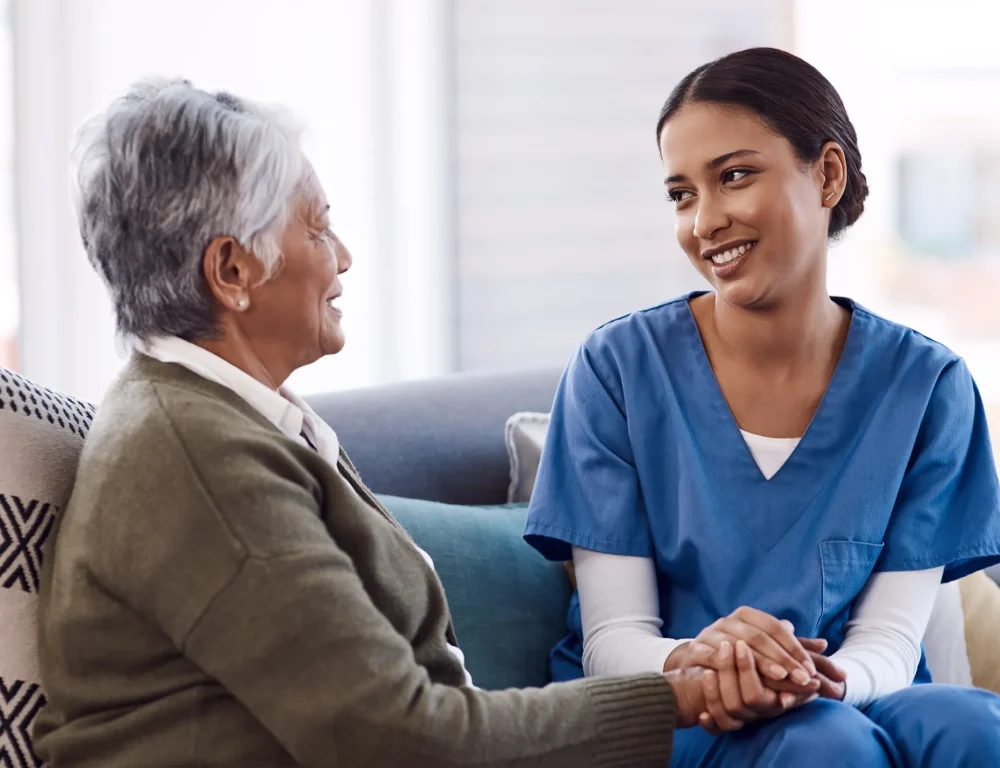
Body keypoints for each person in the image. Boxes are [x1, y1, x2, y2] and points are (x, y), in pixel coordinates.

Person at [32, 77, 786, 768]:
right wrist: (676, 696)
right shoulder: (196, 458)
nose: (345, 258)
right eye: (319, 231)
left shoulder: (231, 421)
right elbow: (399, 740)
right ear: (233, 272)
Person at [524, 47, 1000, 767]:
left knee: (973, 727)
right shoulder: (617, 370)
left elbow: (892, 642)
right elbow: (612, 640)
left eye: (734, 176)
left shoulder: (927, 387)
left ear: (827, 176)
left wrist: (817, 680)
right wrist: (713, 662)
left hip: (852, 694)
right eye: (681, 194)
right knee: (826, 747)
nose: (705, 221)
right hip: (673, 704)